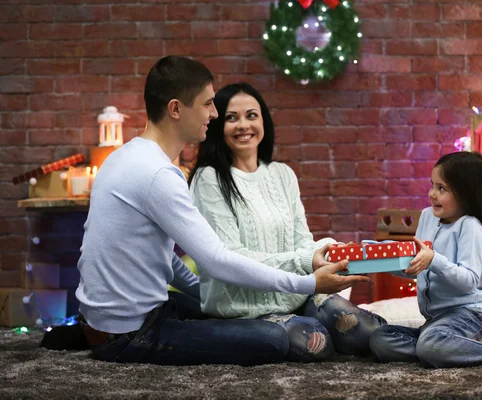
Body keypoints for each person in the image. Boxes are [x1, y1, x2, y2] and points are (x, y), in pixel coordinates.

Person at [74, 56, 368, 366]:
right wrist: (309, 284)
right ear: (175, 109)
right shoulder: (158, 175)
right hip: (131, 333)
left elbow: (160, 256)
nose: (214, 114)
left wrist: (200, 295)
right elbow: (217, 261)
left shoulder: (124, 157)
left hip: (107, 321)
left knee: (216, 306)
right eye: (207, 104)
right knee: (273, 339)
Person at [187, 82, 387, 362]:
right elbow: (231, 256)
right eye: (231, 117)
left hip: (297, 296)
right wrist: (306, 261)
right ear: (218, 125)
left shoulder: (282, 174)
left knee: (362, 327)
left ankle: (430, 341)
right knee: (317, 342)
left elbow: (301, 242)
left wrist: (325, 252)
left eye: (251, 115)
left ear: (264, 121)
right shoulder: (208, 179)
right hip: (244, 311)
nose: (243, 125)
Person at [369, 151, 482, 368]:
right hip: (436, 322)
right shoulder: (427, 217)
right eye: (432, 185)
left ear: (466, 193)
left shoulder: (471, 227)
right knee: (380, 339)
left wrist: (434, 259)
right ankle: (465, 348)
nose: (432, 193)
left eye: (442, 188)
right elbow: (417, 265)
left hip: (467, 316)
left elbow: (468, 280)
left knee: (430, 345)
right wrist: (383, 259)